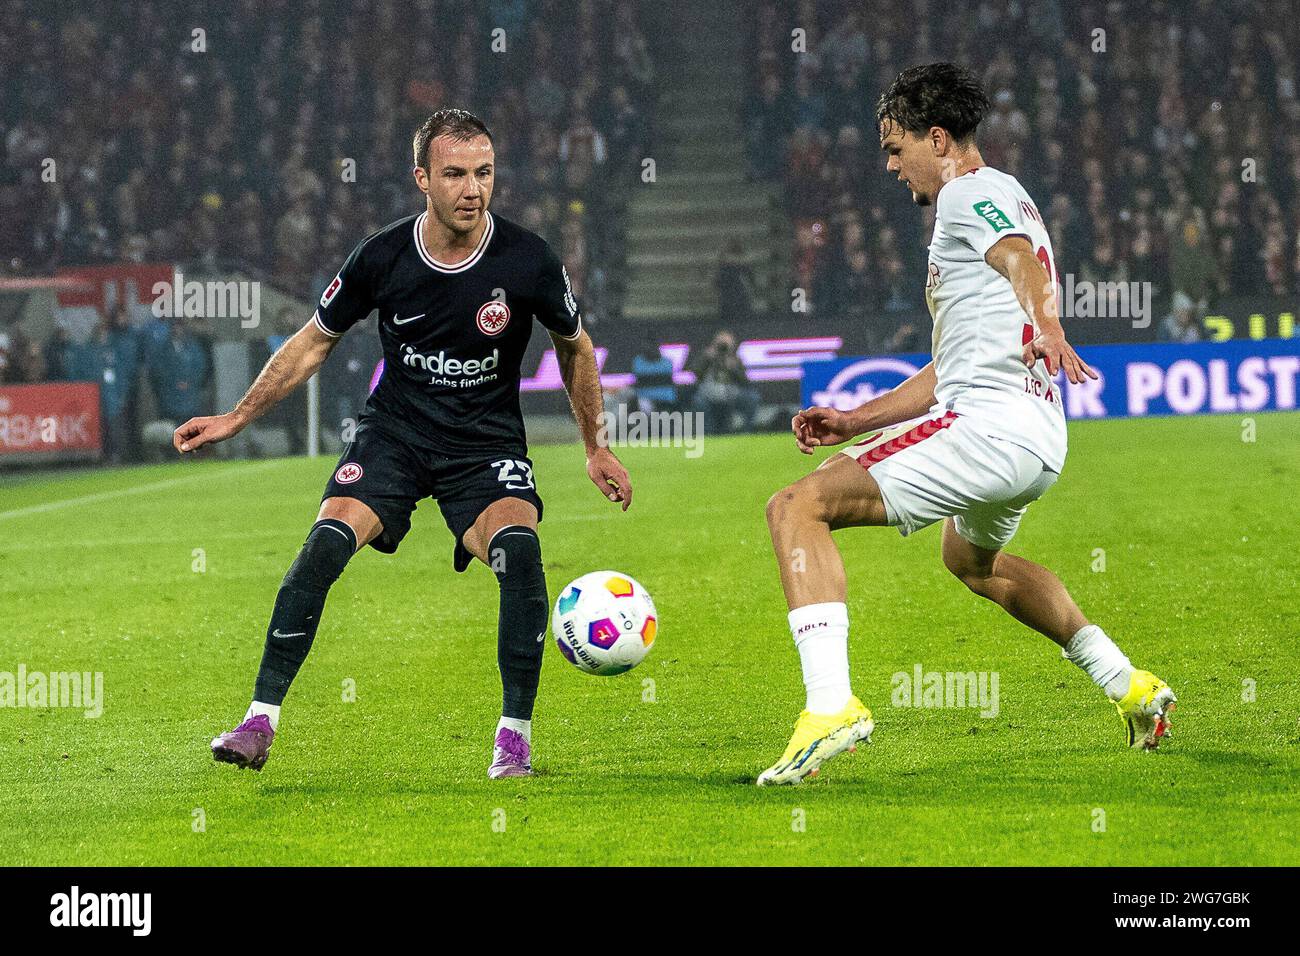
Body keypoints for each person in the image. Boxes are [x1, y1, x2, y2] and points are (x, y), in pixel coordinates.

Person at [174, 109, 633, 778]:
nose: (472, 189)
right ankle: (259, 720)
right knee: (326, 541)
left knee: (519, 551)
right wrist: (237, 417)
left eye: (484, 173)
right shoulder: (383, 255)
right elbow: (313, 341)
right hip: (395, 434)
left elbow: (575, 345)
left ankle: (514, 740)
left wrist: (596, 446)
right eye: (454, 174)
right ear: (422, 178)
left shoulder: (527, 259)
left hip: (485, 444)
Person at [758, 64, 1176, 786]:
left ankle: (830, 706)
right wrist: (855, 420)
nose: (891, 166)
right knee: (971, 562)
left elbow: (1020, 264)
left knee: (797, 506)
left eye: (895, 148)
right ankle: (1130, 686)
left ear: (938, 138)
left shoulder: (966, 194)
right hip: (1034, 438)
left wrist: (1048, 321)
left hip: (988, 428)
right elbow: (950, 365)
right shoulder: (1010, 195)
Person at [690, 331, 759, 433]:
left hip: (732, 394)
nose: (722, 348)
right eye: (720, 344)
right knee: (699, 402)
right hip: (709, 394)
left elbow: (745, 381)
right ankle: (707, 432)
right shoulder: (707, 357)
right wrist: (706, 359)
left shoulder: (735, 360)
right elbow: (695, 373)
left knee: (752, 398)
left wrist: (733, 368)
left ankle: (747, 431)